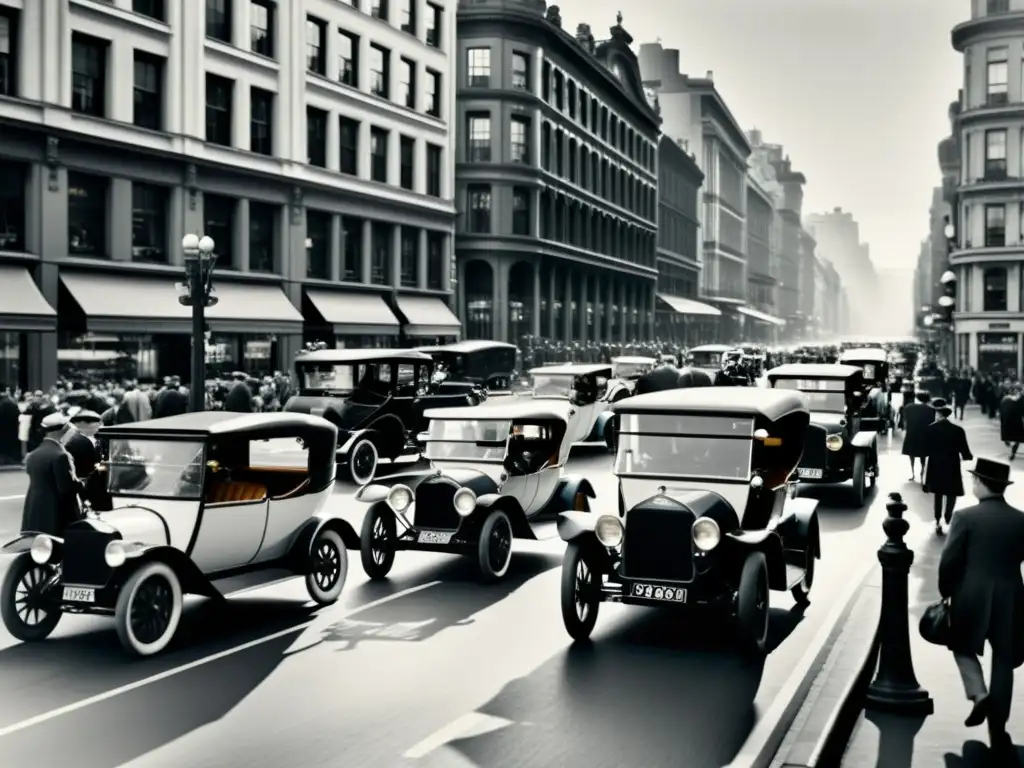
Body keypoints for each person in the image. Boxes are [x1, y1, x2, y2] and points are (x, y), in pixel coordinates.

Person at [938, 458, 1024, 758]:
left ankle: (978, 693)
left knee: (961, 646)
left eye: (974, 480)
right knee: (1004, 657)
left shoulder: (964, 517)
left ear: (980, 484)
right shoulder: (1020, 519)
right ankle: (998, 720)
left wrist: (945, 592)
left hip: (971, 595)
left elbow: (949, 562)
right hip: (1012, 595)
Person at [19, 413, 82, 536]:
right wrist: (82, 483)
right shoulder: (61, 455)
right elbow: (66, 488)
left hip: (34, 510)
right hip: (55, 513)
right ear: (62, 430)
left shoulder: (33, 454)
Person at [924, 398, 974, 534]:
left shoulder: (931, 429)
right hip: (952, 464)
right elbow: (965, 451)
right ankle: (948, 516)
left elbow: (925, 450)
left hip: (936, 465)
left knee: (938, 494)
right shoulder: (958, 430)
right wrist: (967, 457)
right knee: (951, 492)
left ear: (939, 415)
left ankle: (938, 520)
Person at [902, 391, 935, 482]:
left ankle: (912, 473)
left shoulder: (908, 407)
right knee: (923, 455)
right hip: (924, 435)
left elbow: (904, 422)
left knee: (911, 454)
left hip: (911, 433)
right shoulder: (931, 410)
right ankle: (922, 472)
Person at [999, 386, 1024, 461]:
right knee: (1015, 438)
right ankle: (1012, 451)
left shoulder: (1006, 400)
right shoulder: (1006, 400)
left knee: (1016, 439)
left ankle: (1013, 453)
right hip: (1011, 422)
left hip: (1015, 422)